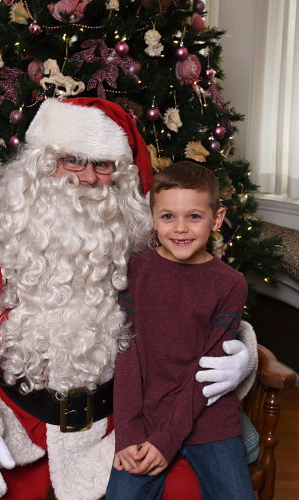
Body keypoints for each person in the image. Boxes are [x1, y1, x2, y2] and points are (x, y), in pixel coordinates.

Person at [0, 98, 257, 500]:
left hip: (119, 426)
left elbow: (200, 302)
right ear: (42, 161)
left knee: (186, 491)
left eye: (103, 164)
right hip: (18, 422)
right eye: (72, 160)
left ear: (122, 173)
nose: (88, 178)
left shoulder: (143, 238)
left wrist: (242, 354)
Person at [107, 162, 254, 500]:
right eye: (168, 216)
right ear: (152, 217)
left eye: (194, 216)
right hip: (145, 420)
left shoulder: (230, 284)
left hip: (211, 421)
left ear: (217, 218)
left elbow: (210, 374)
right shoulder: (136, 270)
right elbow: (126, 359)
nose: (180, 228)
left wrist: (166, 441)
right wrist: (129, 435)